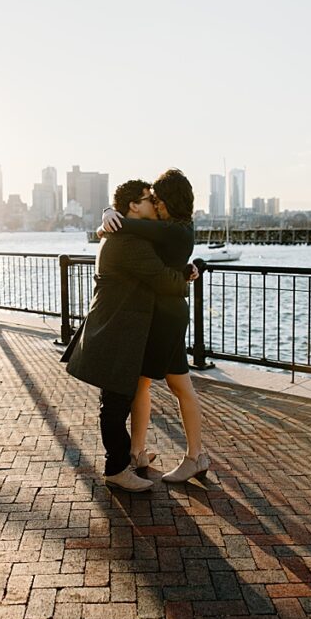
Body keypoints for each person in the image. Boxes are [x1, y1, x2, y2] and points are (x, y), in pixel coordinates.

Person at [62, 179, 195, 492]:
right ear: (134, 206)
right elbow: (160, 278)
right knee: (115, 404)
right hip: (117, 331)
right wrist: (185, 280)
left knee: (118, 399)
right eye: (149, 198)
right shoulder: (127, 242)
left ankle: (126, 458)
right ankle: (117, 468)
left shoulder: (121, 233)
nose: (154, 203)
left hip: (118, 327)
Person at [100, 168, 210, 483]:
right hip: (160, 312)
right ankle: (137, 452)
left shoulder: (174, 231)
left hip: (168, 316)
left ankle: (196, 456)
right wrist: (109, 215)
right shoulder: (178, 226)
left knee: (179, 385)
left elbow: (123, 226)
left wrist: (108, 215)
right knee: (142, 382)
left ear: (169, 201)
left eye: (158, 199)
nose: (156, 204)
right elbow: (127, 228)